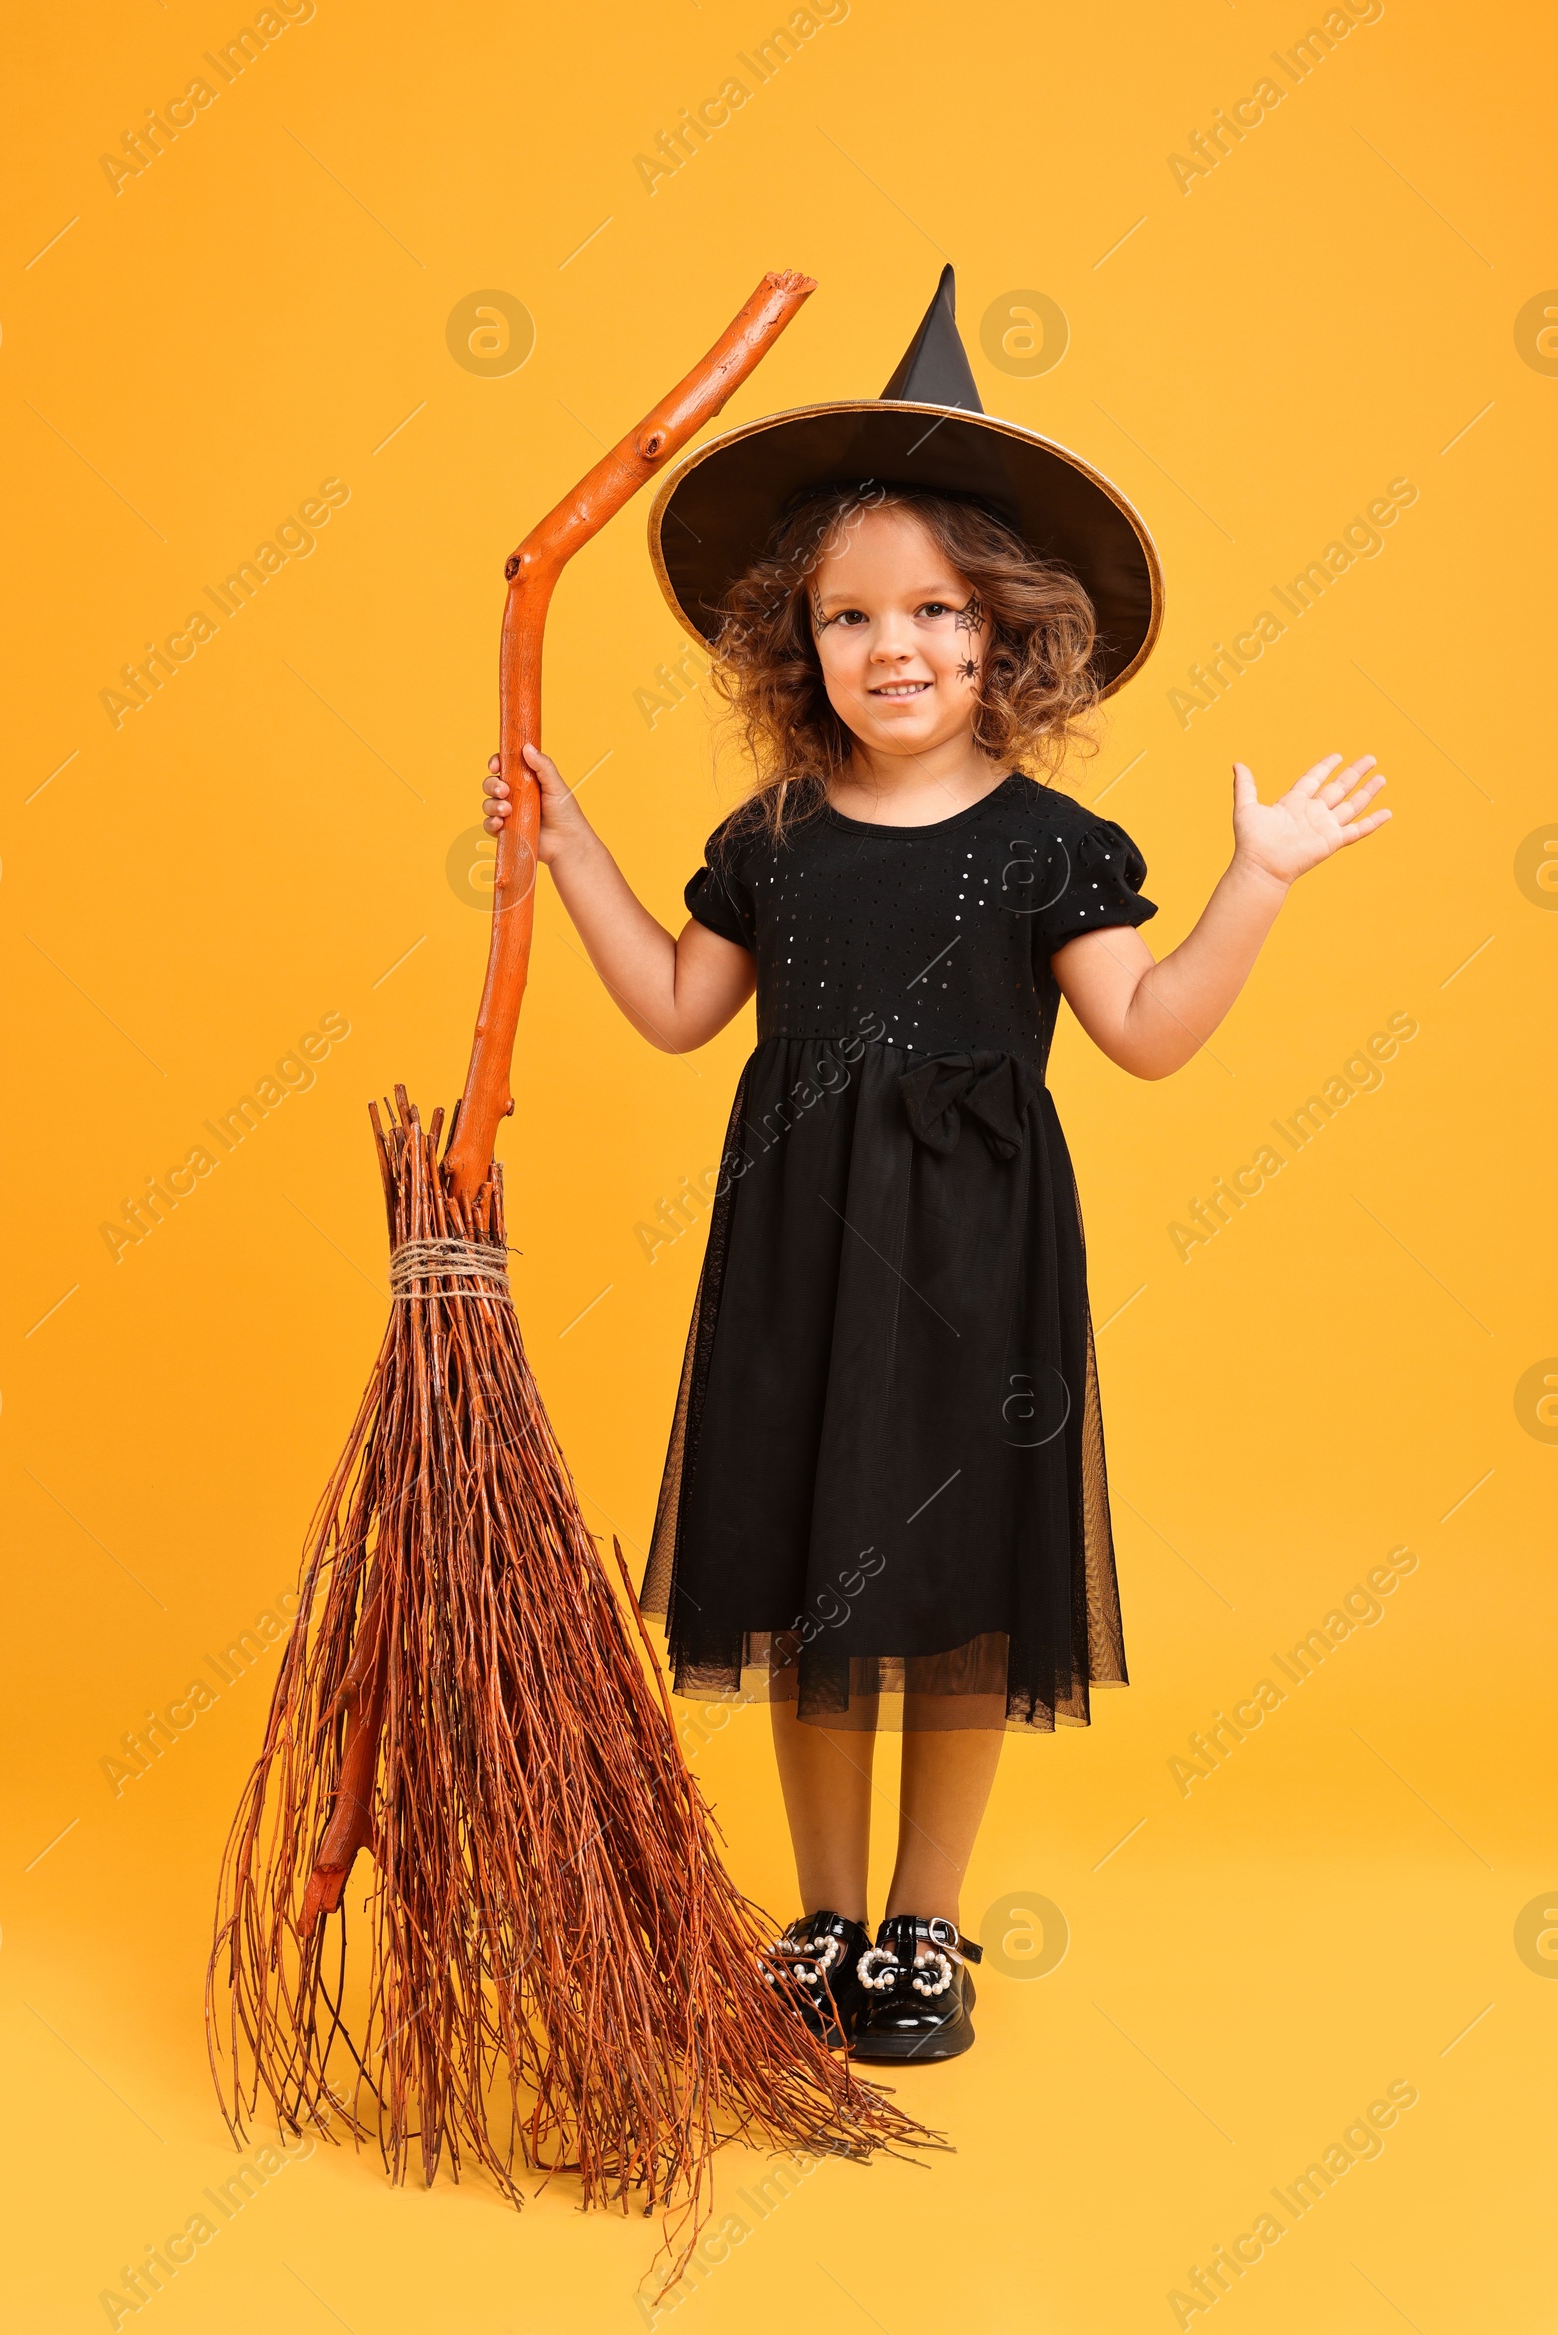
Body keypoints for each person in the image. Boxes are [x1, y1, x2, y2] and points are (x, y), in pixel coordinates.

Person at [481, 271, 1390, 2065]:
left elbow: (1145, 1032)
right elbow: (678, 1008)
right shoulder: (775, 840)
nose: (891, 646)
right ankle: (820, 1920)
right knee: (806, 1582)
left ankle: (924, 1933)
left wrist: (1258, 883)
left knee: (961, 1593)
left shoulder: (1053, 847)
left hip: (979, 1268)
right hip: (797, 1256)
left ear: (1008, 637)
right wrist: (573, 846)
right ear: (792, 645)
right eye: (847, 617)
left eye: (935, 611)